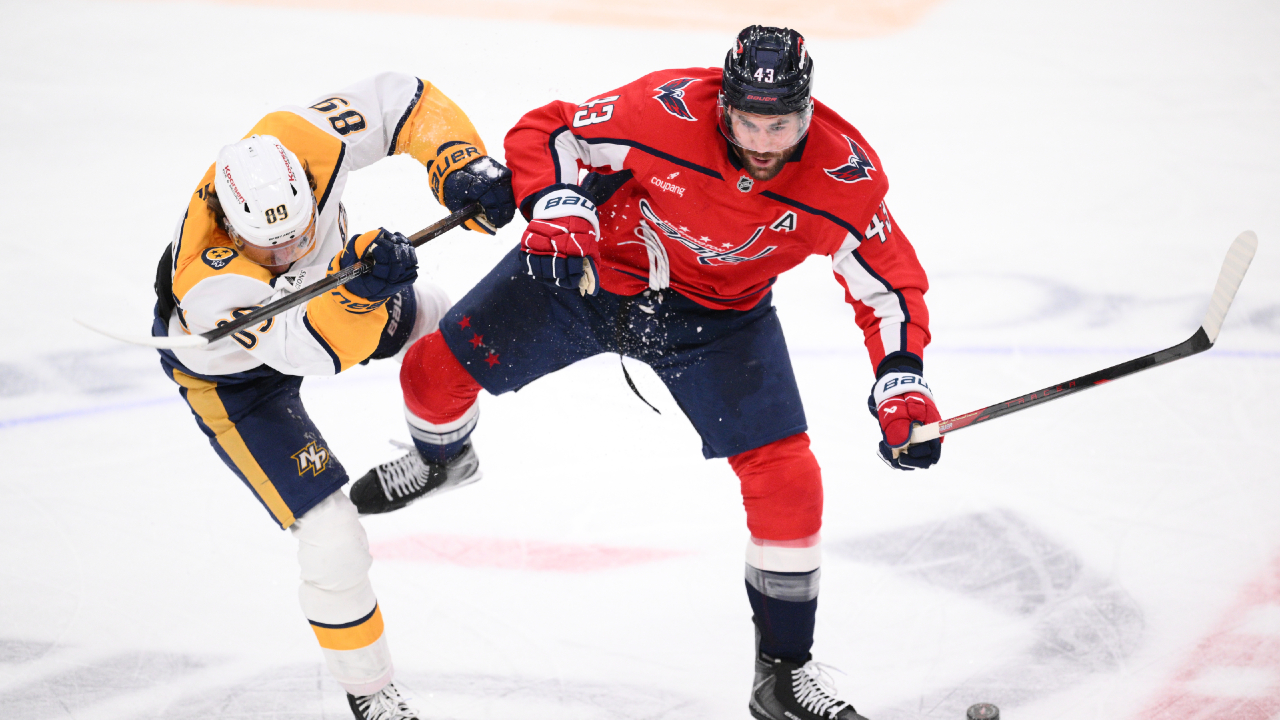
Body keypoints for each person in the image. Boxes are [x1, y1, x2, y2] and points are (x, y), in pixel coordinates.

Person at [354, 27, 942, 720]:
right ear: (723, 106)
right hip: (587, 274)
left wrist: (902, 376)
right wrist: (557, 204)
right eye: (747, 122)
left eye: (780, 125)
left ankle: (782, 674)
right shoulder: (664, 109)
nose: (762, 142)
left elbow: (889, 287)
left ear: (807, 112)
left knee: (788, 478)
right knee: (430, 373)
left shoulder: (845, 177)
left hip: (719, 319)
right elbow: (552, 128)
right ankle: (441, 459)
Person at [150, 72, 515, 720]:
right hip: (236, 379)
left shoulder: (300, 139)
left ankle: (446, 455)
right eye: (271, 246)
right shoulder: (209, 285)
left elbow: (402, 100)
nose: (290, 250)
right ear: (231, 227)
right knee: (333, 537)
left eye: (300, 232)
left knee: (451, 327)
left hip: (335, 299)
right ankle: (371, 692)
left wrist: (459, 162)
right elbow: (312, 351)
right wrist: (362, 291)